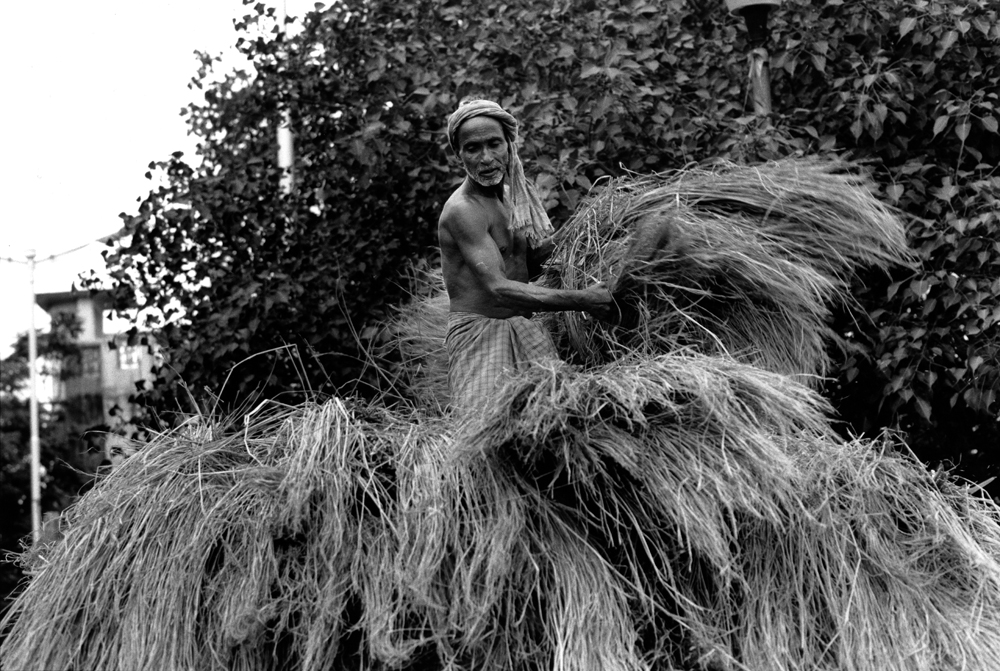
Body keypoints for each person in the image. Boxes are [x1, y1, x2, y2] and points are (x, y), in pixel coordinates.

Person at [438, 98, 616, 408]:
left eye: (494, 144)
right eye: (472, 148)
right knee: (488, 431)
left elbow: (533, 263)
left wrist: (593, 229)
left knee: (553, 421)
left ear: (510, 144)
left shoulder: (514, 198)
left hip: (525, 328)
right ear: (458, 154)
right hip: (481, 336)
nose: (486, 158)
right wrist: (583, 299)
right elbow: (499, 289)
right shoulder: (463, 210)